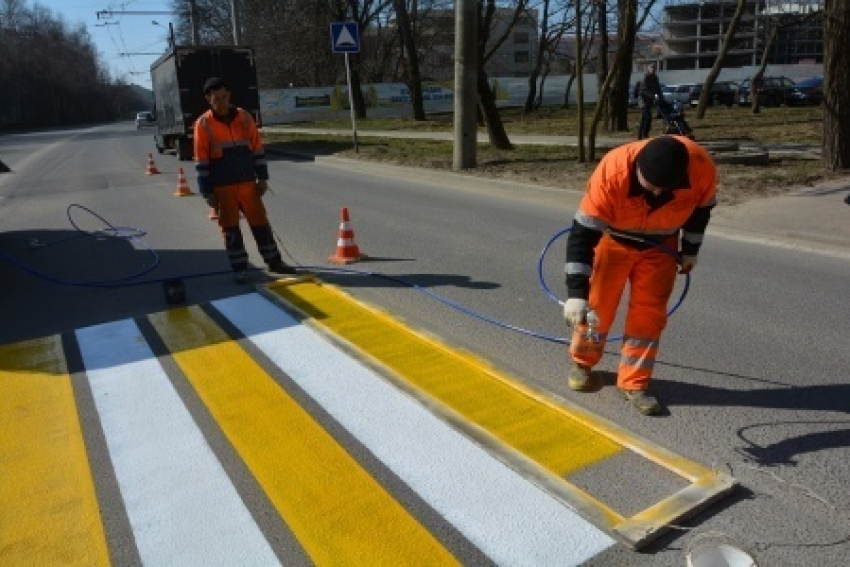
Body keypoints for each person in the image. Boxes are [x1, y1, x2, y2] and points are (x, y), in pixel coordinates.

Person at [562, 135, 717, 415]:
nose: (657, 193)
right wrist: (575, 295)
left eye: (664, 189)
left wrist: (690, 249)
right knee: (598, 306)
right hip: (615, 241)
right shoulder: (613, 171)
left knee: (649, 315)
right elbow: (582, 236)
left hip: (662, 247)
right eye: (651, 186)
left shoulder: (700, 167)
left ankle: (634, 383)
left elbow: (700, 213)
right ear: (637, 171)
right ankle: (582, 364)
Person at [194, 77, 296, 283]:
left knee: (260, 223)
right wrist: (207, 192)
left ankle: (274, 261)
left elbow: (257, 148)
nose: (222, 101)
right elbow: (201, 160)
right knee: (230, 228)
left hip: (248, 183)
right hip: (223, 186)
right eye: (216, 98)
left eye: (224, 96)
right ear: (208, 99)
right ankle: (240, 268)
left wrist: (263, 178)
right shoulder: (203, 124)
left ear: (229, 95)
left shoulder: (244, 117)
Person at [638, 63, 664, 139]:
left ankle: (641, 135)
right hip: (643, 101)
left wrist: (661, 97)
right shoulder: (645, 78)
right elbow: (644, 90)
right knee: (647, 117)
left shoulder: (655, 77)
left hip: (650, 101)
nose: (653, 69)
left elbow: (658, 88)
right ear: (648, 69)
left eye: (654, 68)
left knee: (644, 119)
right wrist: (653, 96)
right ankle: (644, 134)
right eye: (652, 68)